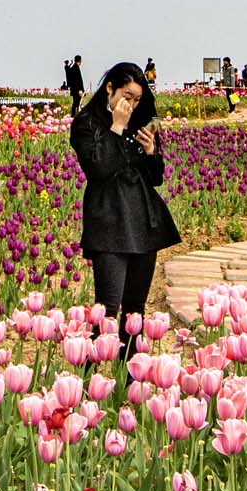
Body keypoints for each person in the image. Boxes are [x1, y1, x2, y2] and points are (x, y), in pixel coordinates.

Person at [70, 63, 180, 364]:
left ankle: (132, 383)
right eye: (126, 96)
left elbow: (156, 177)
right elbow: (98, 168)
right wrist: (116, 127)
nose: (131, 105)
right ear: (110, 89)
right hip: (108, 222)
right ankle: (84, 385)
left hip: (143, 222)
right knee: (106, 310)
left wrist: (151, 153)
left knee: (134, 313)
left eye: (136, 99)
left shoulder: (140, 122)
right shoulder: (86, 123)